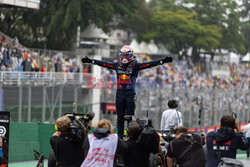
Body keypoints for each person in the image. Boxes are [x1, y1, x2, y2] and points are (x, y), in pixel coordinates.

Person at [82, 45, 173, 138]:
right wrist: (91, 61)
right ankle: (120, 137)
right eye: (122, 55)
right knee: (120, 118)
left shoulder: (135, 65)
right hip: (119, 95)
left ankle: (131, 137)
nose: (124, 57)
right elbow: (104, 63)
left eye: (126, 55)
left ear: (130, 55)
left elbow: (149, 64)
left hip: (130, 94)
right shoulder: (117, 65)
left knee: (130, 118)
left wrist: (162, 61)